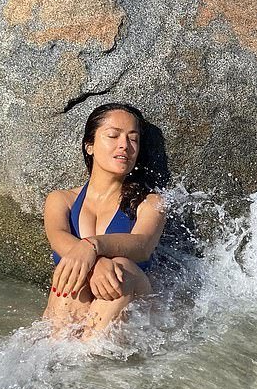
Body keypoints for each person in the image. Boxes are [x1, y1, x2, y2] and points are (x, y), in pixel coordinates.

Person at [42, 103, 166, 340]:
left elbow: (143, 245)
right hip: (74, 304)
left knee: (121, 268)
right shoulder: (61, 200)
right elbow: (58, 238)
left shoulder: (150, 203)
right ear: (89, 145)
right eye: (113, 135)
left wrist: (93, 246)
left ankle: (90, 351)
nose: (124, 145)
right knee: (73, 271)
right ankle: (58, 350)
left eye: (133, 139)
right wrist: (95, 264)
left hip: (132, 307)